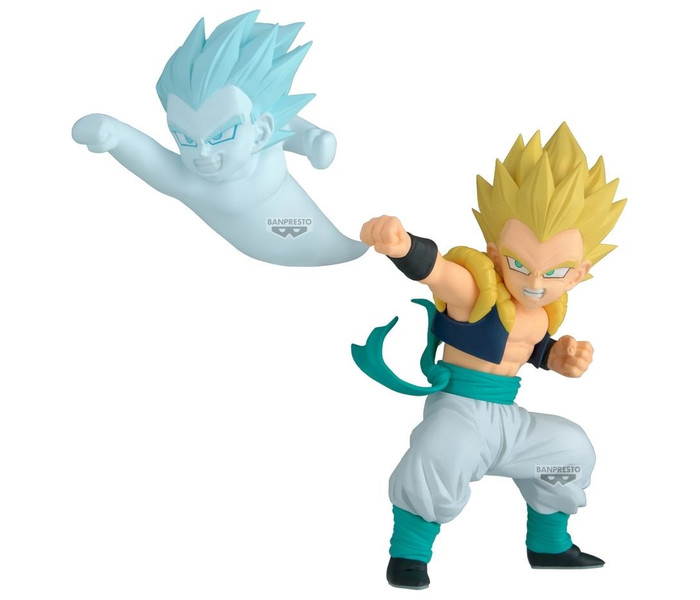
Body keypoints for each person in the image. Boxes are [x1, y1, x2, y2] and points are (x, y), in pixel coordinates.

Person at [354, 123, 626, 589]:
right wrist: (402, 247)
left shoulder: (544, 312)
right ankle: (410, 553)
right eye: (520, 264)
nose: (535, 283)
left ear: (579, 273)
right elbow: (438, 272)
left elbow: (531, 348)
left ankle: (549, 544)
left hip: (508, 419)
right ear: (496, 253)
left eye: (555, 271)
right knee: (442, 451)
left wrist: (557, 357)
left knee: (570, 448)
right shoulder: (477, 289)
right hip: (459, 411)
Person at [72, 11, 367, 267]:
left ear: (261, 130)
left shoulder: (264, 134)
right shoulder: (192, 183)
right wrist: (114, 134)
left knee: (355, 252)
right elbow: (150, 157)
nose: (202, 151)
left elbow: (283, 120)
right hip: (286, 258)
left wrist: (313, 140)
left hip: (323, 243)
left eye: (222, 135)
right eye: (185, 138)